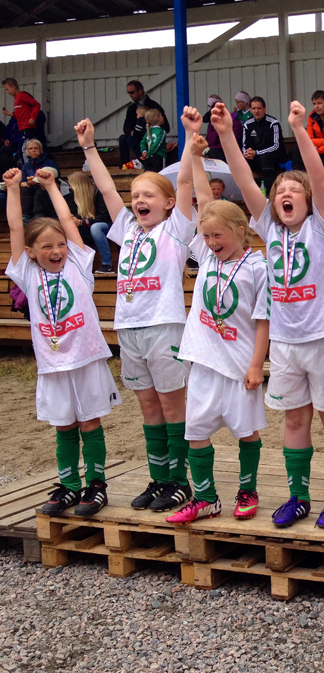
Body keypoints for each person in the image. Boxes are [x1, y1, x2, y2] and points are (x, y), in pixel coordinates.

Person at [210, 99, 324, 530]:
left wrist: (299, 129)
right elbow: (243, 178)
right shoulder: (270, 228)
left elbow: (318, 176)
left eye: (294, 191)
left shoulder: (323, 225)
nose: (285, 195)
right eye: (279, 192)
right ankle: (299, 496)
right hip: (285, 342)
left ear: (309, 200)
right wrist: (226, 134)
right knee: (294, 419)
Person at [78, 112, 196, 514]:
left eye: (149, 195)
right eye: (137, 195)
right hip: (129, 328)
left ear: (168, 204)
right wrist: (89, 147)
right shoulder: (128, 229)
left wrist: (191, 136)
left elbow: (184, 182)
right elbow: (106, 188)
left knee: (172, 407)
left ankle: (180, 481)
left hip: (164, 326)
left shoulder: (176, 230)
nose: (140, 200)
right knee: (148, 409)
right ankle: (159, 478)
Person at [165, 128, 269, 524]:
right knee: (196, 432)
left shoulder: (257, 267)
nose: (210, 242)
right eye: (205, 236)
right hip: (204, 362)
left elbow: (262, 321)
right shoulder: (207, 258)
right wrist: (195, 154)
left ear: (240, 230)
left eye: (218, 235)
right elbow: (204, 200)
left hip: (239, 365)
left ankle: (247, 490)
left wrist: (257, 365)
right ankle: (206, 498)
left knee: (247, 432)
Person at [3, 167, 120, 517]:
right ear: (31, 252)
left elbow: (68, 221)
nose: (56, 251)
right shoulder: (27, 273)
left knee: (90, 422)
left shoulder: (78, 265)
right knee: (64, 425)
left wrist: (53, 186)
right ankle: (69, 485)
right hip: (53, 364)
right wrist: (13, 189)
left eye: (60, 245)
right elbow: (15, 228)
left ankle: (96, 485)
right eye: (47, 247)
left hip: (86, 359)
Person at [67, 172, 114, 274]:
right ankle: (80, 266)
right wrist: (74, 220)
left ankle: (107, 265)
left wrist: (81, 222)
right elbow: (79, 215)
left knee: (96, 228)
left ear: (78, 185)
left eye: (71, 185)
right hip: (89, 226)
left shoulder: (98, 193)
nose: (70, 188)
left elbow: (104, 217)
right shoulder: (76, 196)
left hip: (107, 225)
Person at [119, 80, 169, 167]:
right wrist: (131, 132)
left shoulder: (153, 106)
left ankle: (144, 160)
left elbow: (165, 127)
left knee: (130, 139)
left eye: (132, 92)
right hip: (136, 135)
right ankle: (124, 165)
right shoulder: (132, 107)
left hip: (149, 137)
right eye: (128, 93)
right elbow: (126, 126)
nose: (130, 95)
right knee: (123, 138)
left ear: (140, 91)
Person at [241, 97, 286, 192]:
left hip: (273, 156)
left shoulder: (273, 123)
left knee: (265, 158)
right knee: (241, 160)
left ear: (264, 109)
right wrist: (247, 153)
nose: (256, 111)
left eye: (259, 108)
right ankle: (246, 193)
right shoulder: (247, 124)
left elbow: (276, 145)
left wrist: (257, 152)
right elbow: (244, 145)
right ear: (250, 110)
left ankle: (270, 193)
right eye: (254, 108)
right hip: (255, 156)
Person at [2, 78, 42, 154]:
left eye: (7, 89)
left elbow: (36, 105)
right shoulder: (16, 99)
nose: (7, 92)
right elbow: (21, 114)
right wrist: (11, 114)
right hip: (21, 128)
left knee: (24, 150)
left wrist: (32, 118)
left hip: (27, 127)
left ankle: (29, 162)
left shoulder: (22, 95)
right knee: (21, 150)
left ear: (13, 87)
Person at [19, 139, 58, 216]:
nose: (33, 150)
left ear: (40, 149)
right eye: (31, 148)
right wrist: (26, 183)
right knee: (24, 190)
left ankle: (39, 215)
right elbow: (23, 181)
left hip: (46, 187)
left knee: (39, 192)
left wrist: (39, 181)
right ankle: (25, 215)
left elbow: (56, 177)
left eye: (36, 148)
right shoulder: (26, 166)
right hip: (31, 188)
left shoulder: (49, 163)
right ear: (27, 151)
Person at [204, 95, 226, 160]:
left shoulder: (226, 120)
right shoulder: (211, 124)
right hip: (212, 144)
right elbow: (204, 119)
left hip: (219, 148)